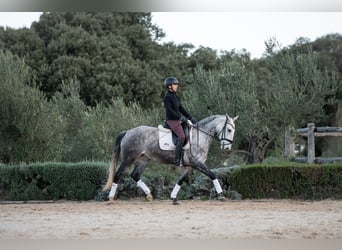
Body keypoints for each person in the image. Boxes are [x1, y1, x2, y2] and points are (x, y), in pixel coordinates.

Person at [163, 76, 197, 166]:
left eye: (177, 84)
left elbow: (181, 108)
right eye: (175, 84)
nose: (177, 86)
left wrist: (190, 117)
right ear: (169, 86)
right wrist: (180, 118)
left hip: (177, 120)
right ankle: (177, 159)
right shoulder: (167, 97)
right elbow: (170, 111)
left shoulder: (175, 96)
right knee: (182, 137)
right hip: (172, 120)